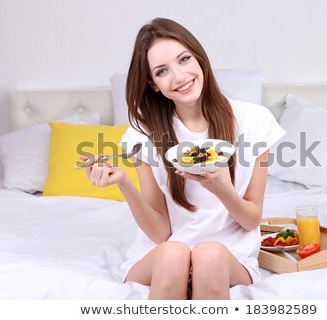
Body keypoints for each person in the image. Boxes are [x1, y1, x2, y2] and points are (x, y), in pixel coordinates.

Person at [82, 17, 285, 300]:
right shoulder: (143, 133)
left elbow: (251, 219)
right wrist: (123, 182)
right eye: (162, 71)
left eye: (184, 59)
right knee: (173, 253)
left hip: (229, 257)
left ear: (199, 58)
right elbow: (160, 233)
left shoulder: (255, 121)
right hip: (162, 255)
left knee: (210, 255)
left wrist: (222, 189)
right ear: (153, 84)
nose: (179, 77)